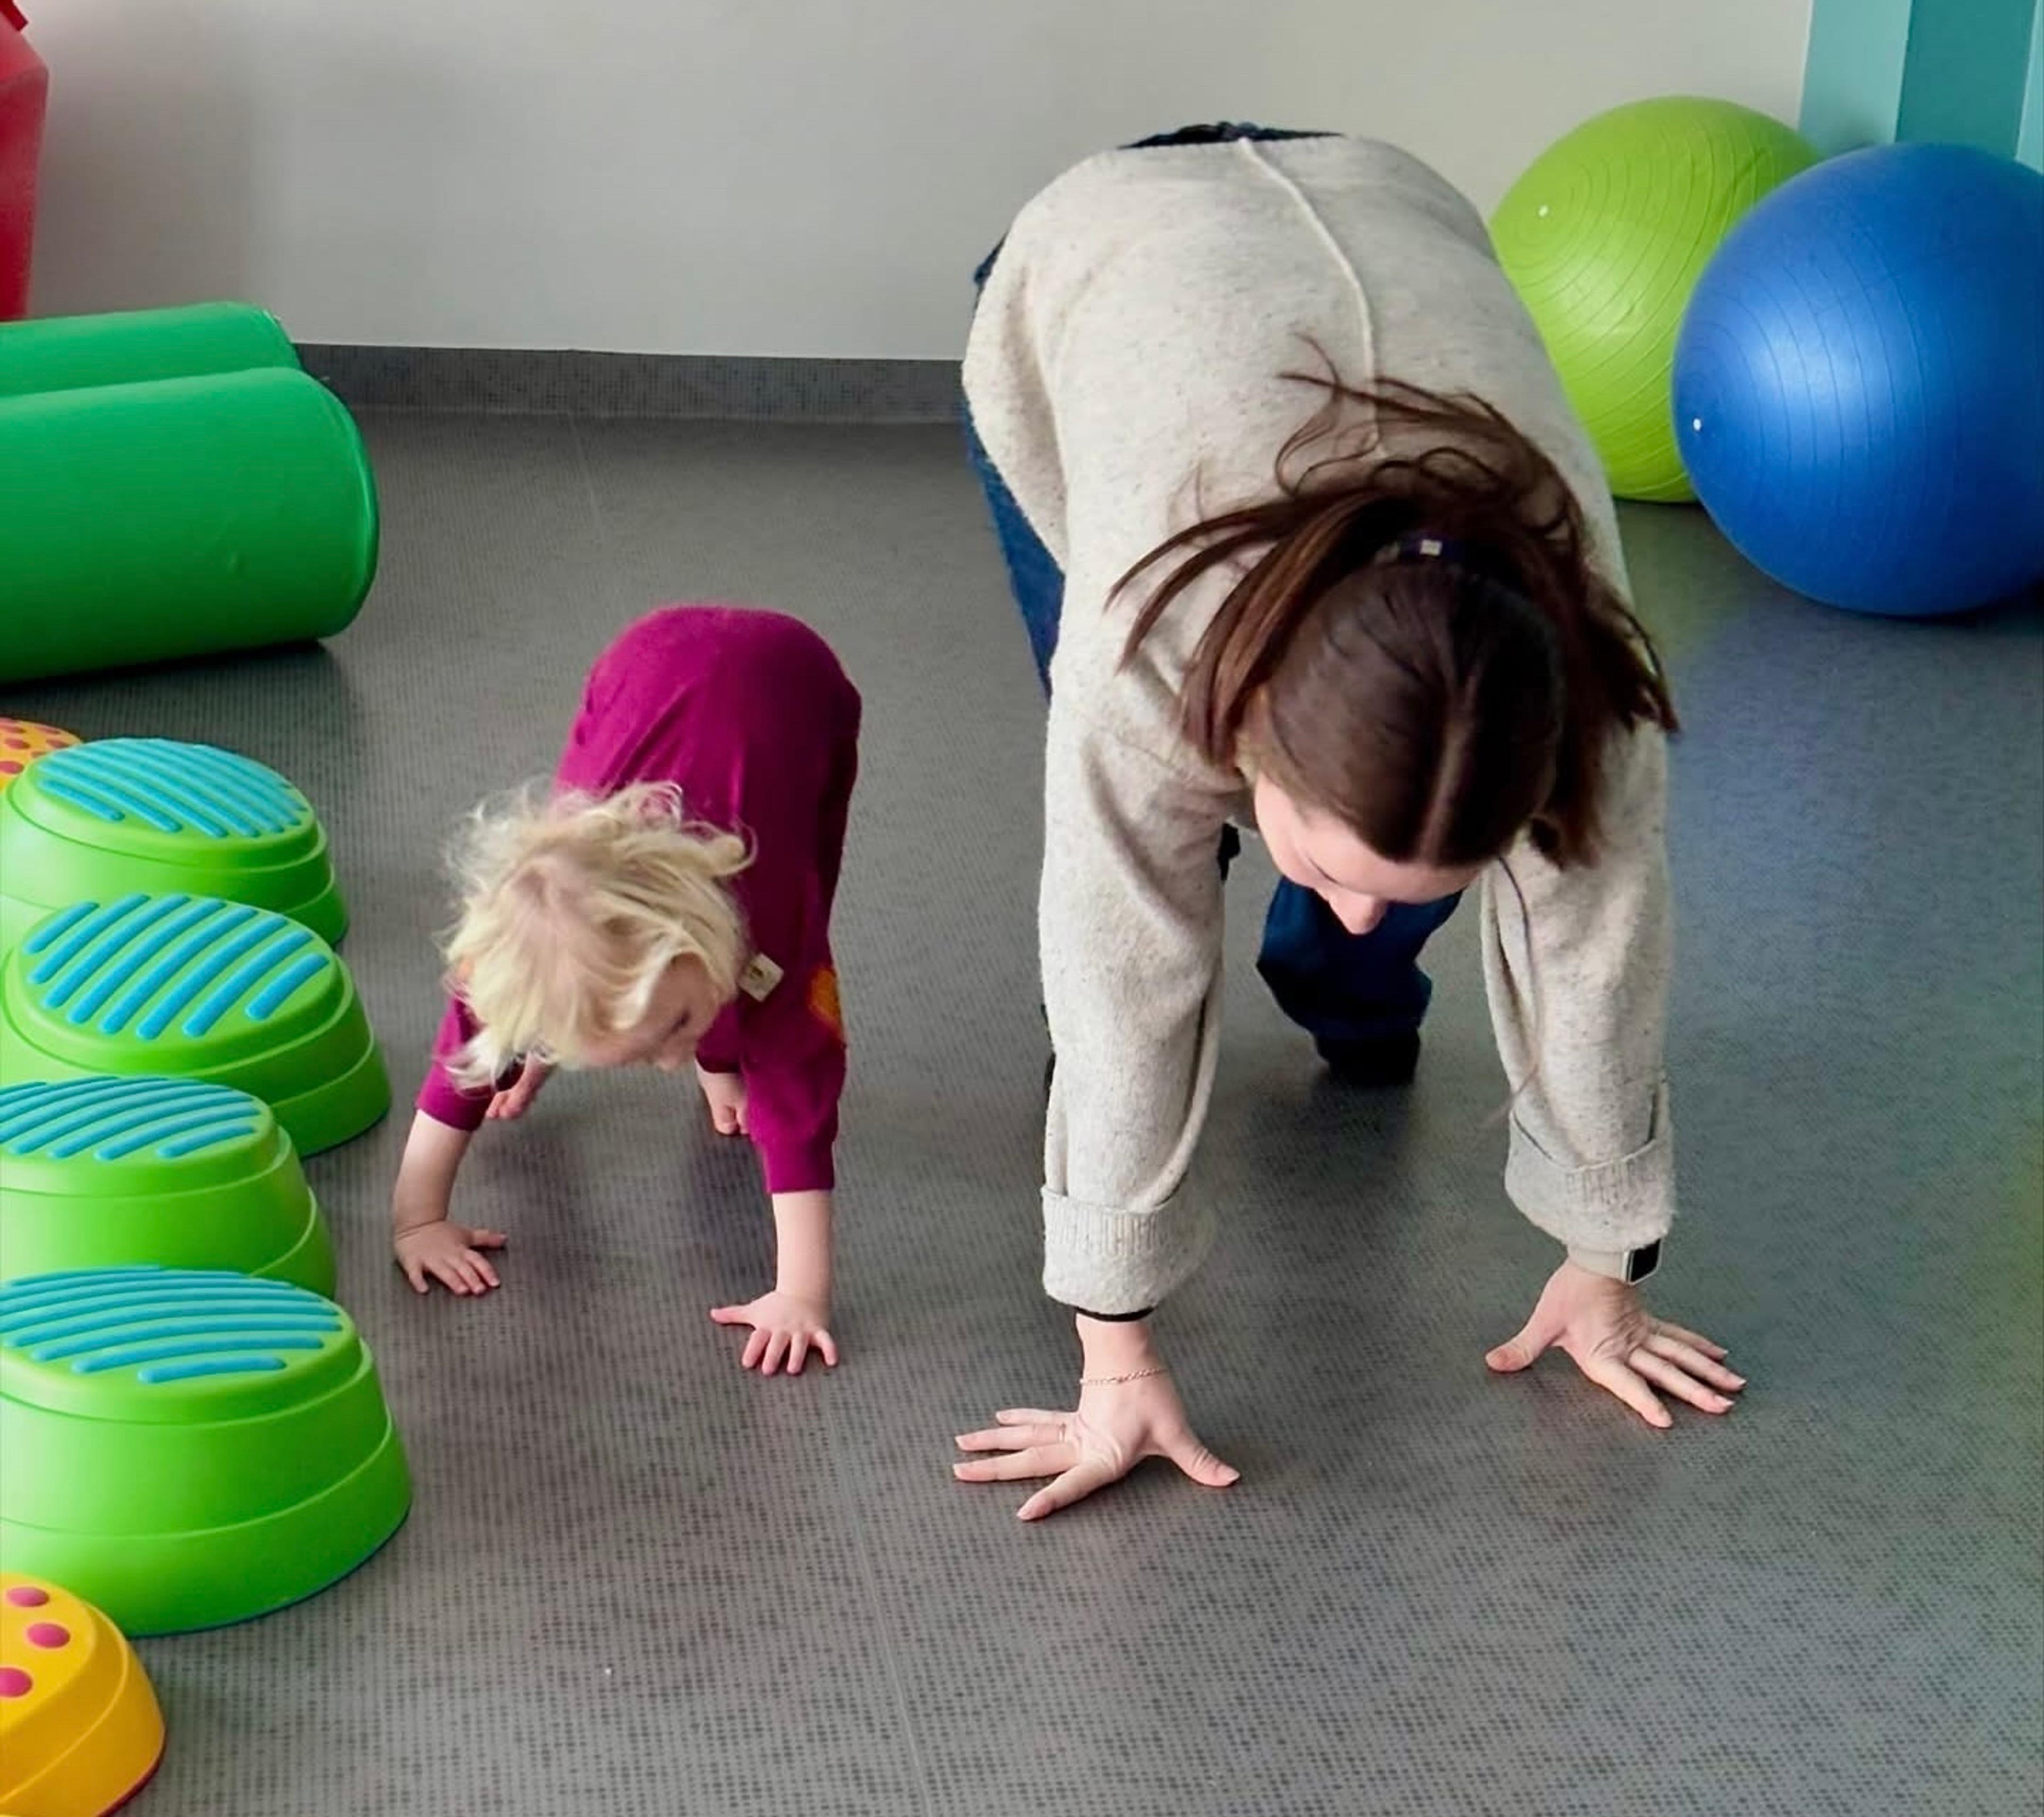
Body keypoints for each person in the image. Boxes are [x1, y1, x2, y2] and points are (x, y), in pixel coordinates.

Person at [953, 126, 1744, 1520]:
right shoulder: (1151, 640)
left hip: (1387, 204)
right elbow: (1123, 964)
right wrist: (1115, 1355)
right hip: (1103, 265)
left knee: (1371, 894)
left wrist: (1605, 1265)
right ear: (1251, 732)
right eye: (1326, 858)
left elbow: (1600, 951)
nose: (1377, 901)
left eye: (1434, 878)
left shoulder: (1584, 672)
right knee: (1139, 879)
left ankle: (1341, 992)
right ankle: (1238, 944)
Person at [388, 604, 861, 1378]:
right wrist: (417, 1220)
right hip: (636, 667)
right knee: (586, 956)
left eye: (676, 1033)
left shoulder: (772, 937)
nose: (672, 1063)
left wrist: (800, 1293)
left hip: (797, 685)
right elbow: (460, 1062)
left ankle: (709, 1041)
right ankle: (586, 1027)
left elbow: (800, 1098)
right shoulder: (514, 949)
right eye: (652, 1049)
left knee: (784, 943)